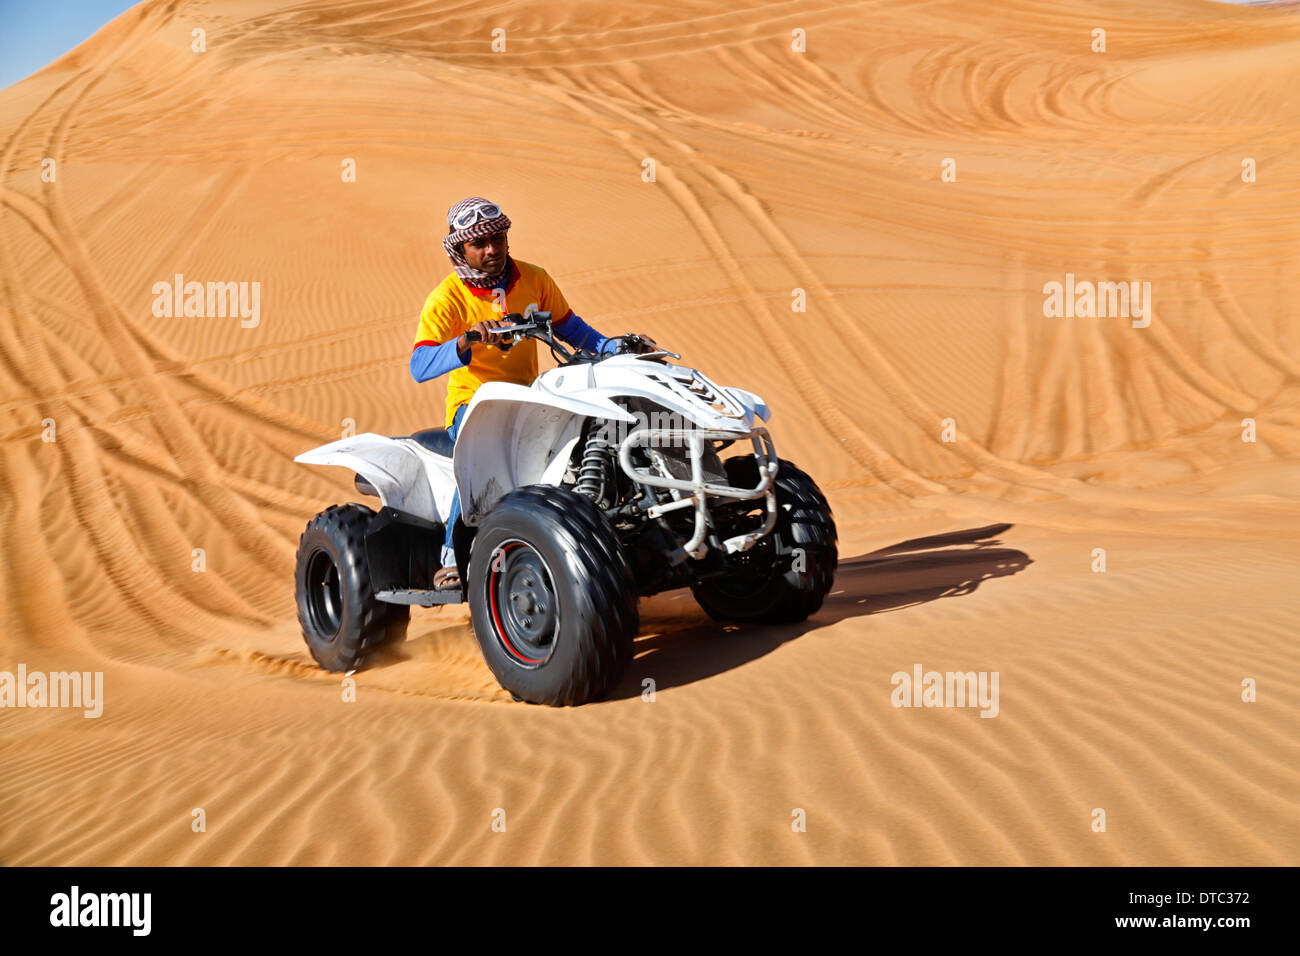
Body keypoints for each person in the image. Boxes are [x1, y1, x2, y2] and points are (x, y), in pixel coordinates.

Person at [410, 196, 656, 589]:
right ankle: (450, 556)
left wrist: (616, 347)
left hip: (534, 398)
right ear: (460, 248)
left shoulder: (535, 279)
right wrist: (465, 341)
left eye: (498, 238)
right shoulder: (447, 299)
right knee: (481, 458)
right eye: (480, 243)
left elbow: (575, 332)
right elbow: (419, 366)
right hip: (474, 405)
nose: (492, 249)